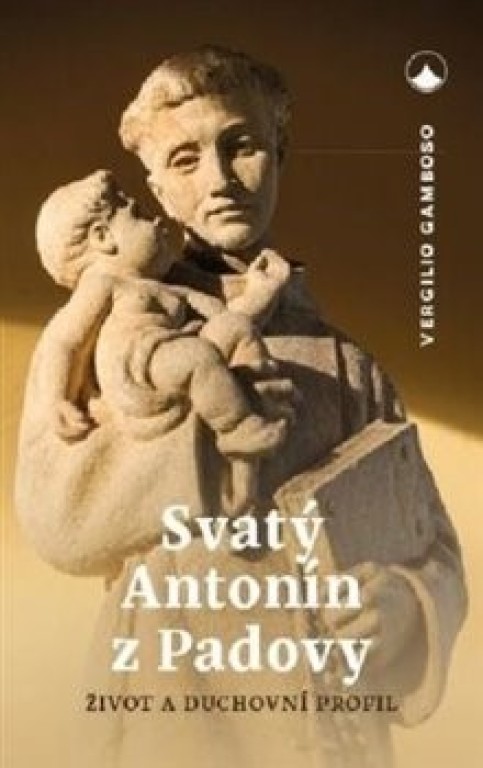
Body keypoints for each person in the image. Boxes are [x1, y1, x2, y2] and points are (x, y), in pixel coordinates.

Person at [16, 45, 467, 768]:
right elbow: (58, 520)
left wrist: (402, 610)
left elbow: (434, 548)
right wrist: (205, 439)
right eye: (185, 159)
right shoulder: (114, 333)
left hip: (325, 723)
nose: (220, 179)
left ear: (279, 154)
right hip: (175, 700)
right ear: (156, 188)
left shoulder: (350, 368)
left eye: (243, 146)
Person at [34, 168, 288, 457]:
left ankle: (254, 388)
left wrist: (260, 292)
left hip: (180, 355)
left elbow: (225, 316)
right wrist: (56, 400)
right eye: (138, 214)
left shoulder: (171, 288)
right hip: (140, 372)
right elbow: (65, 341)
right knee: (197, 357)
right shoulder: (103, 283)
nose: (156, 220)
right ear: (103, 237)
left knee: (236, 327)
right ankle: (237, 430)